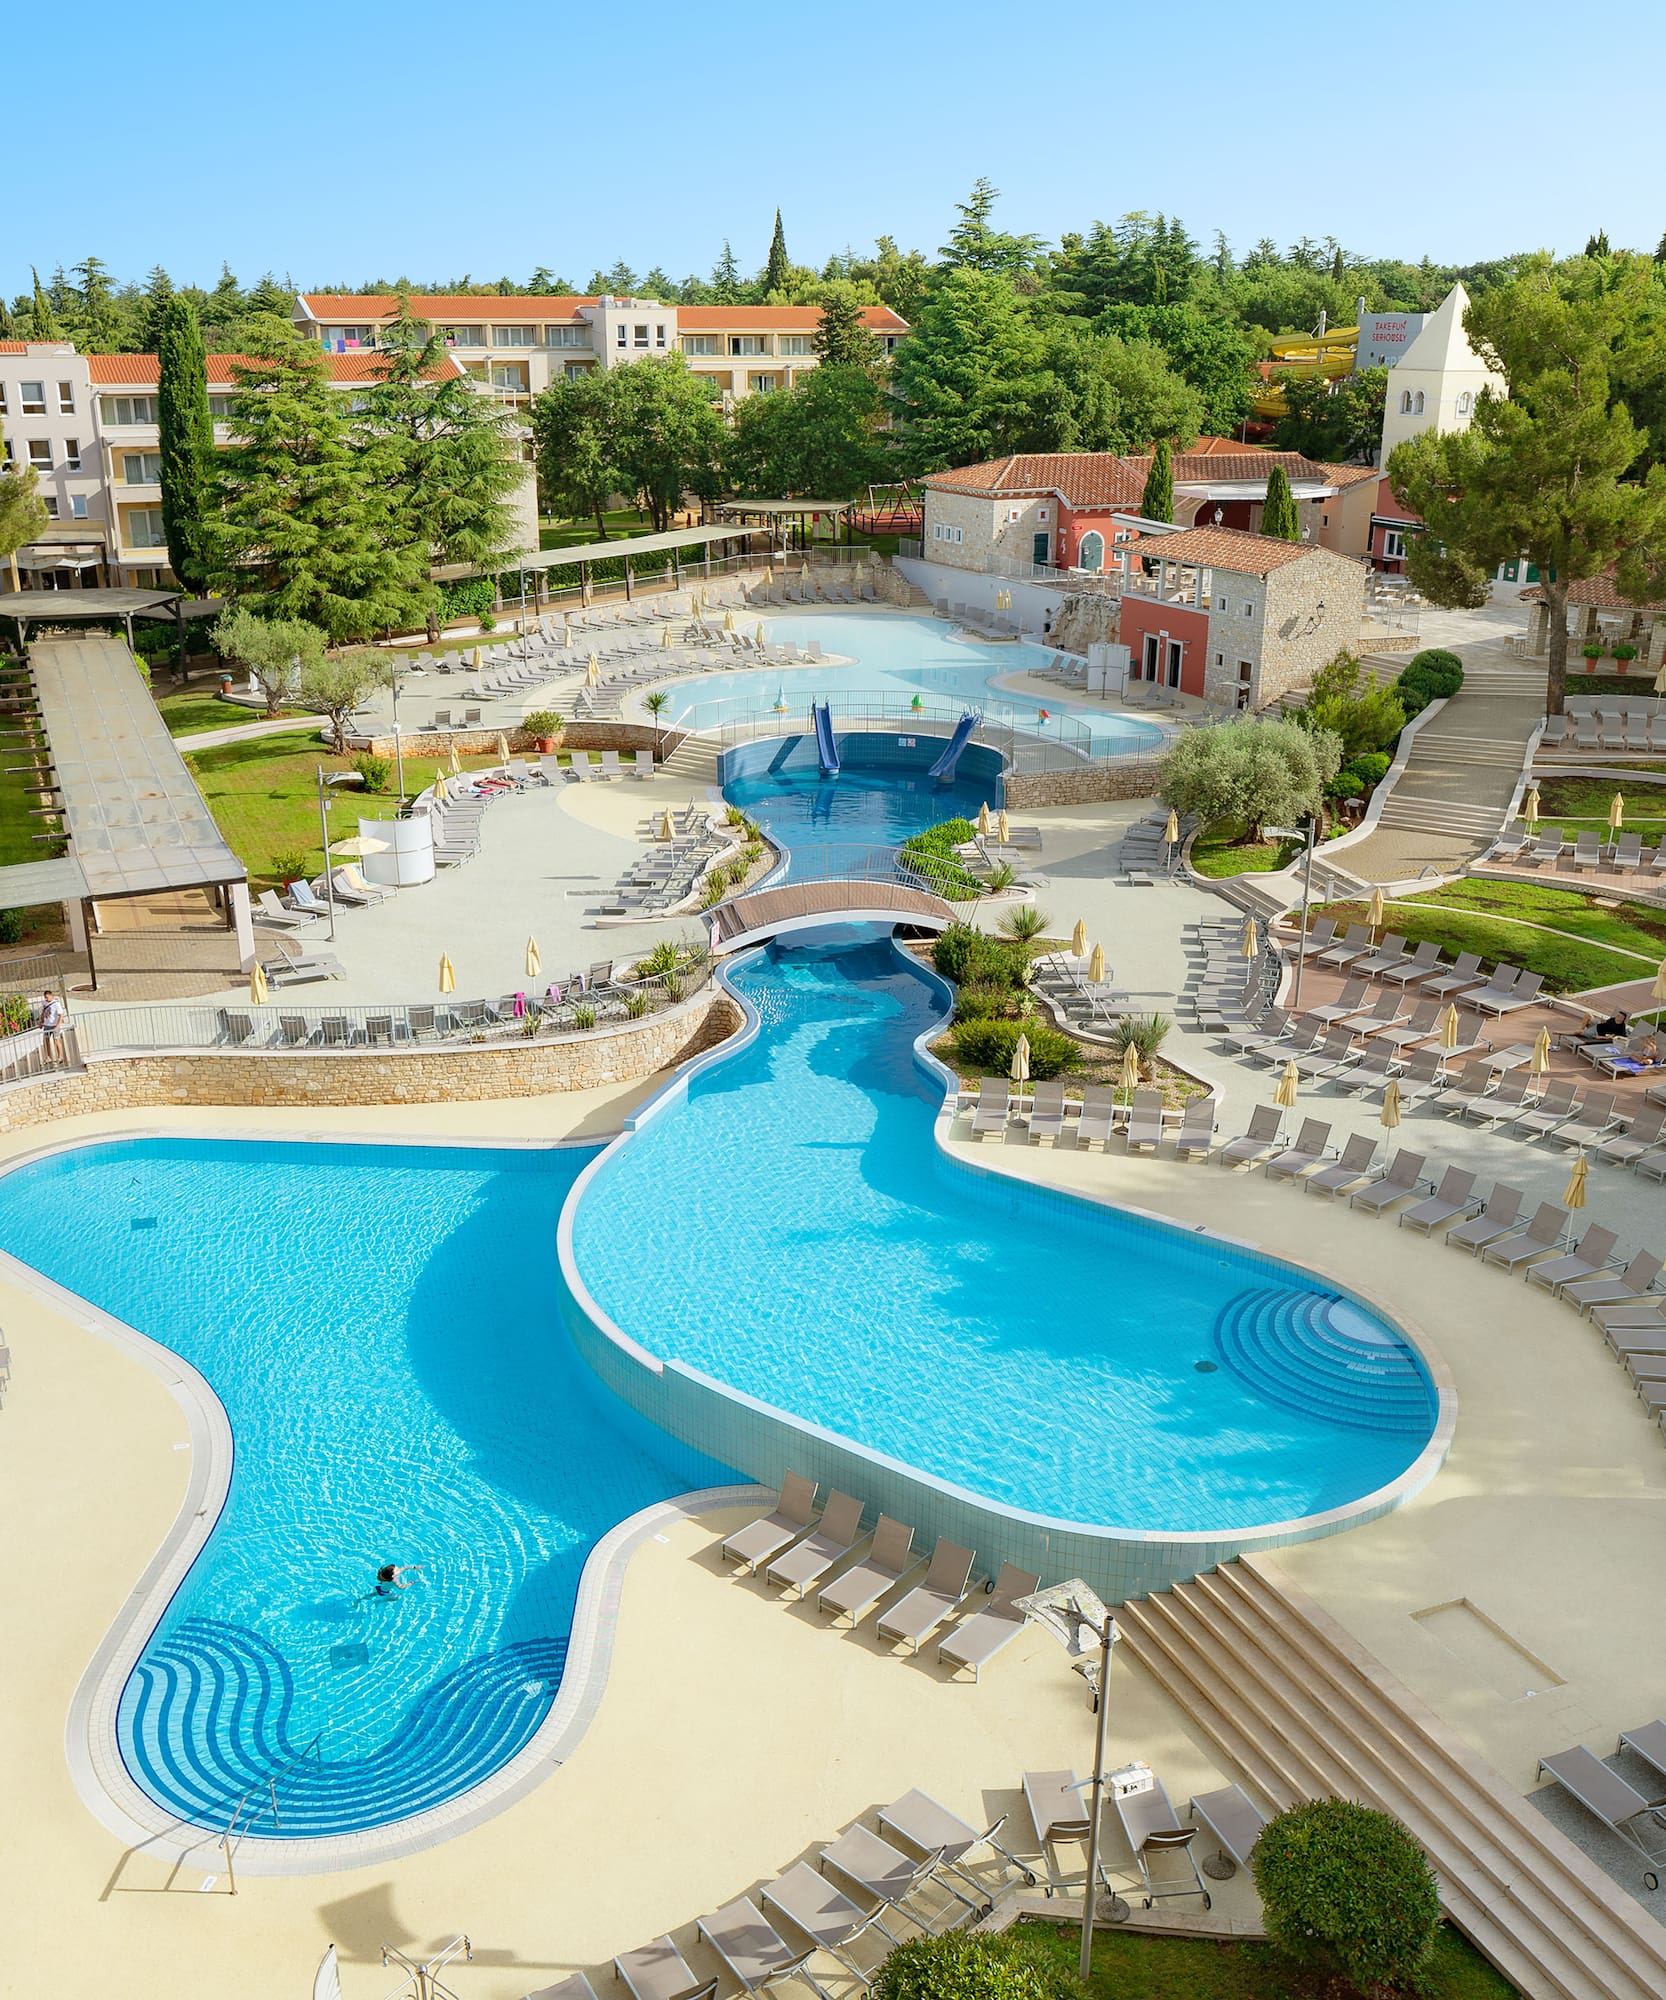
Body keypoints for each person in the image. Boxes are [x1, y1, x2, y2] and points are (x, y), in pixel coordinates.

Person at [38, 990, 66, 1066]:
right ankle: (48, 1057)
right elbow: (43, 1012)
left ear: (51, 996)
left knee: (56, 1040)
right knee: (46, 1040)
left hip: (54, 1025)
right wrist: (41, 1022)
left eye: (47, 997)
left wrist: (58, 1025)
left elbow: (61, 1015)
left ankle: (60, 1057)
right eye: (45, 997)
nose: (46, 999)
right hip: (47, 1025)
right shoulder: (44, 1002)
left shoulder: (56, 1004)